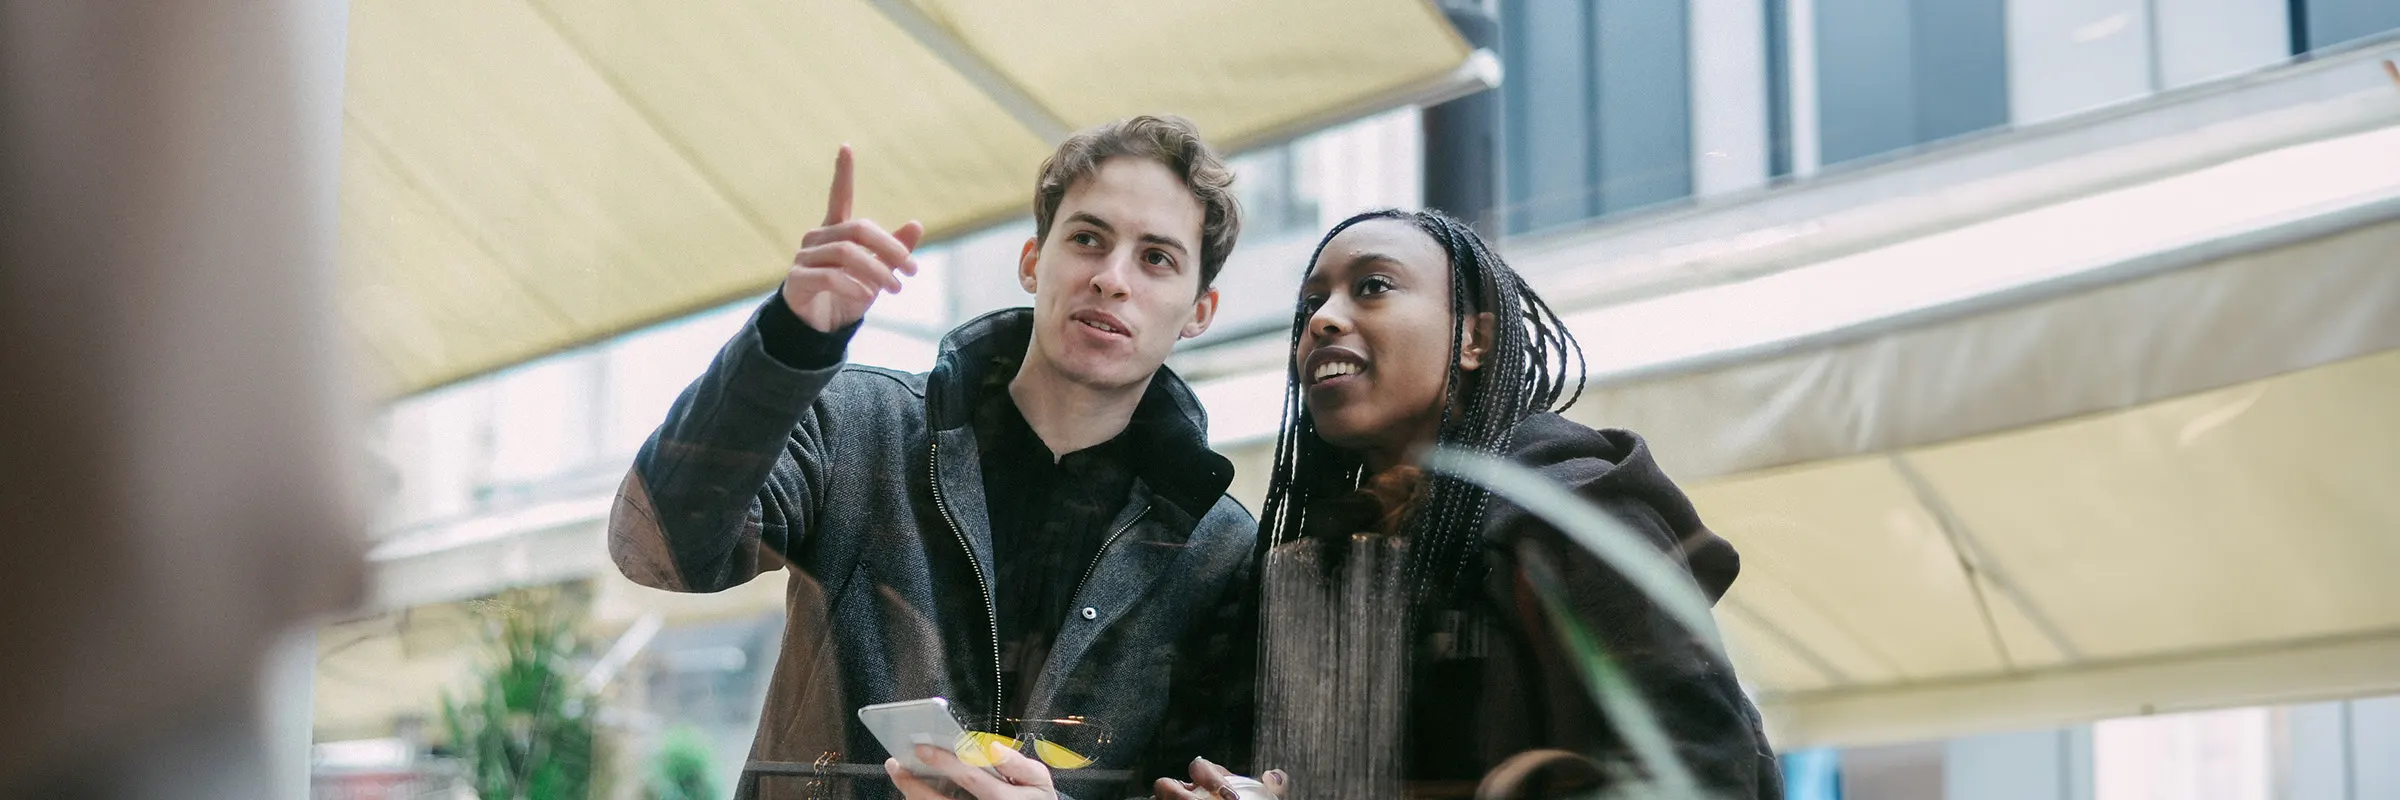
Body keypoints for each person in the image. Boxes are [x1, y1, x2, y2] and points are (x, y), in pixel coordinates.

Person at [608, 116, 1259, 800]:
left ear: (1200, 311)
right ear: (1033, 261)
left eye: (1156, 258)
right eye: (1088, 239)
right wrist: (790, 343)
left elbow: (1198, 781)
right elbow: (654, 550)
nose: (1111, 278)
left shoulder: (1217, 549)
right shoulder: (860, 424)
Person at [1157, 209, 1781, 799]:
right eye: (1310, 304)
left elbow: (1706, 776)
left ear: (1475, 339)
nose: (1323, 319)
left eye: (1373, 286)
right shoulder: (1310, 566)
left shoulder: (1573, 519)